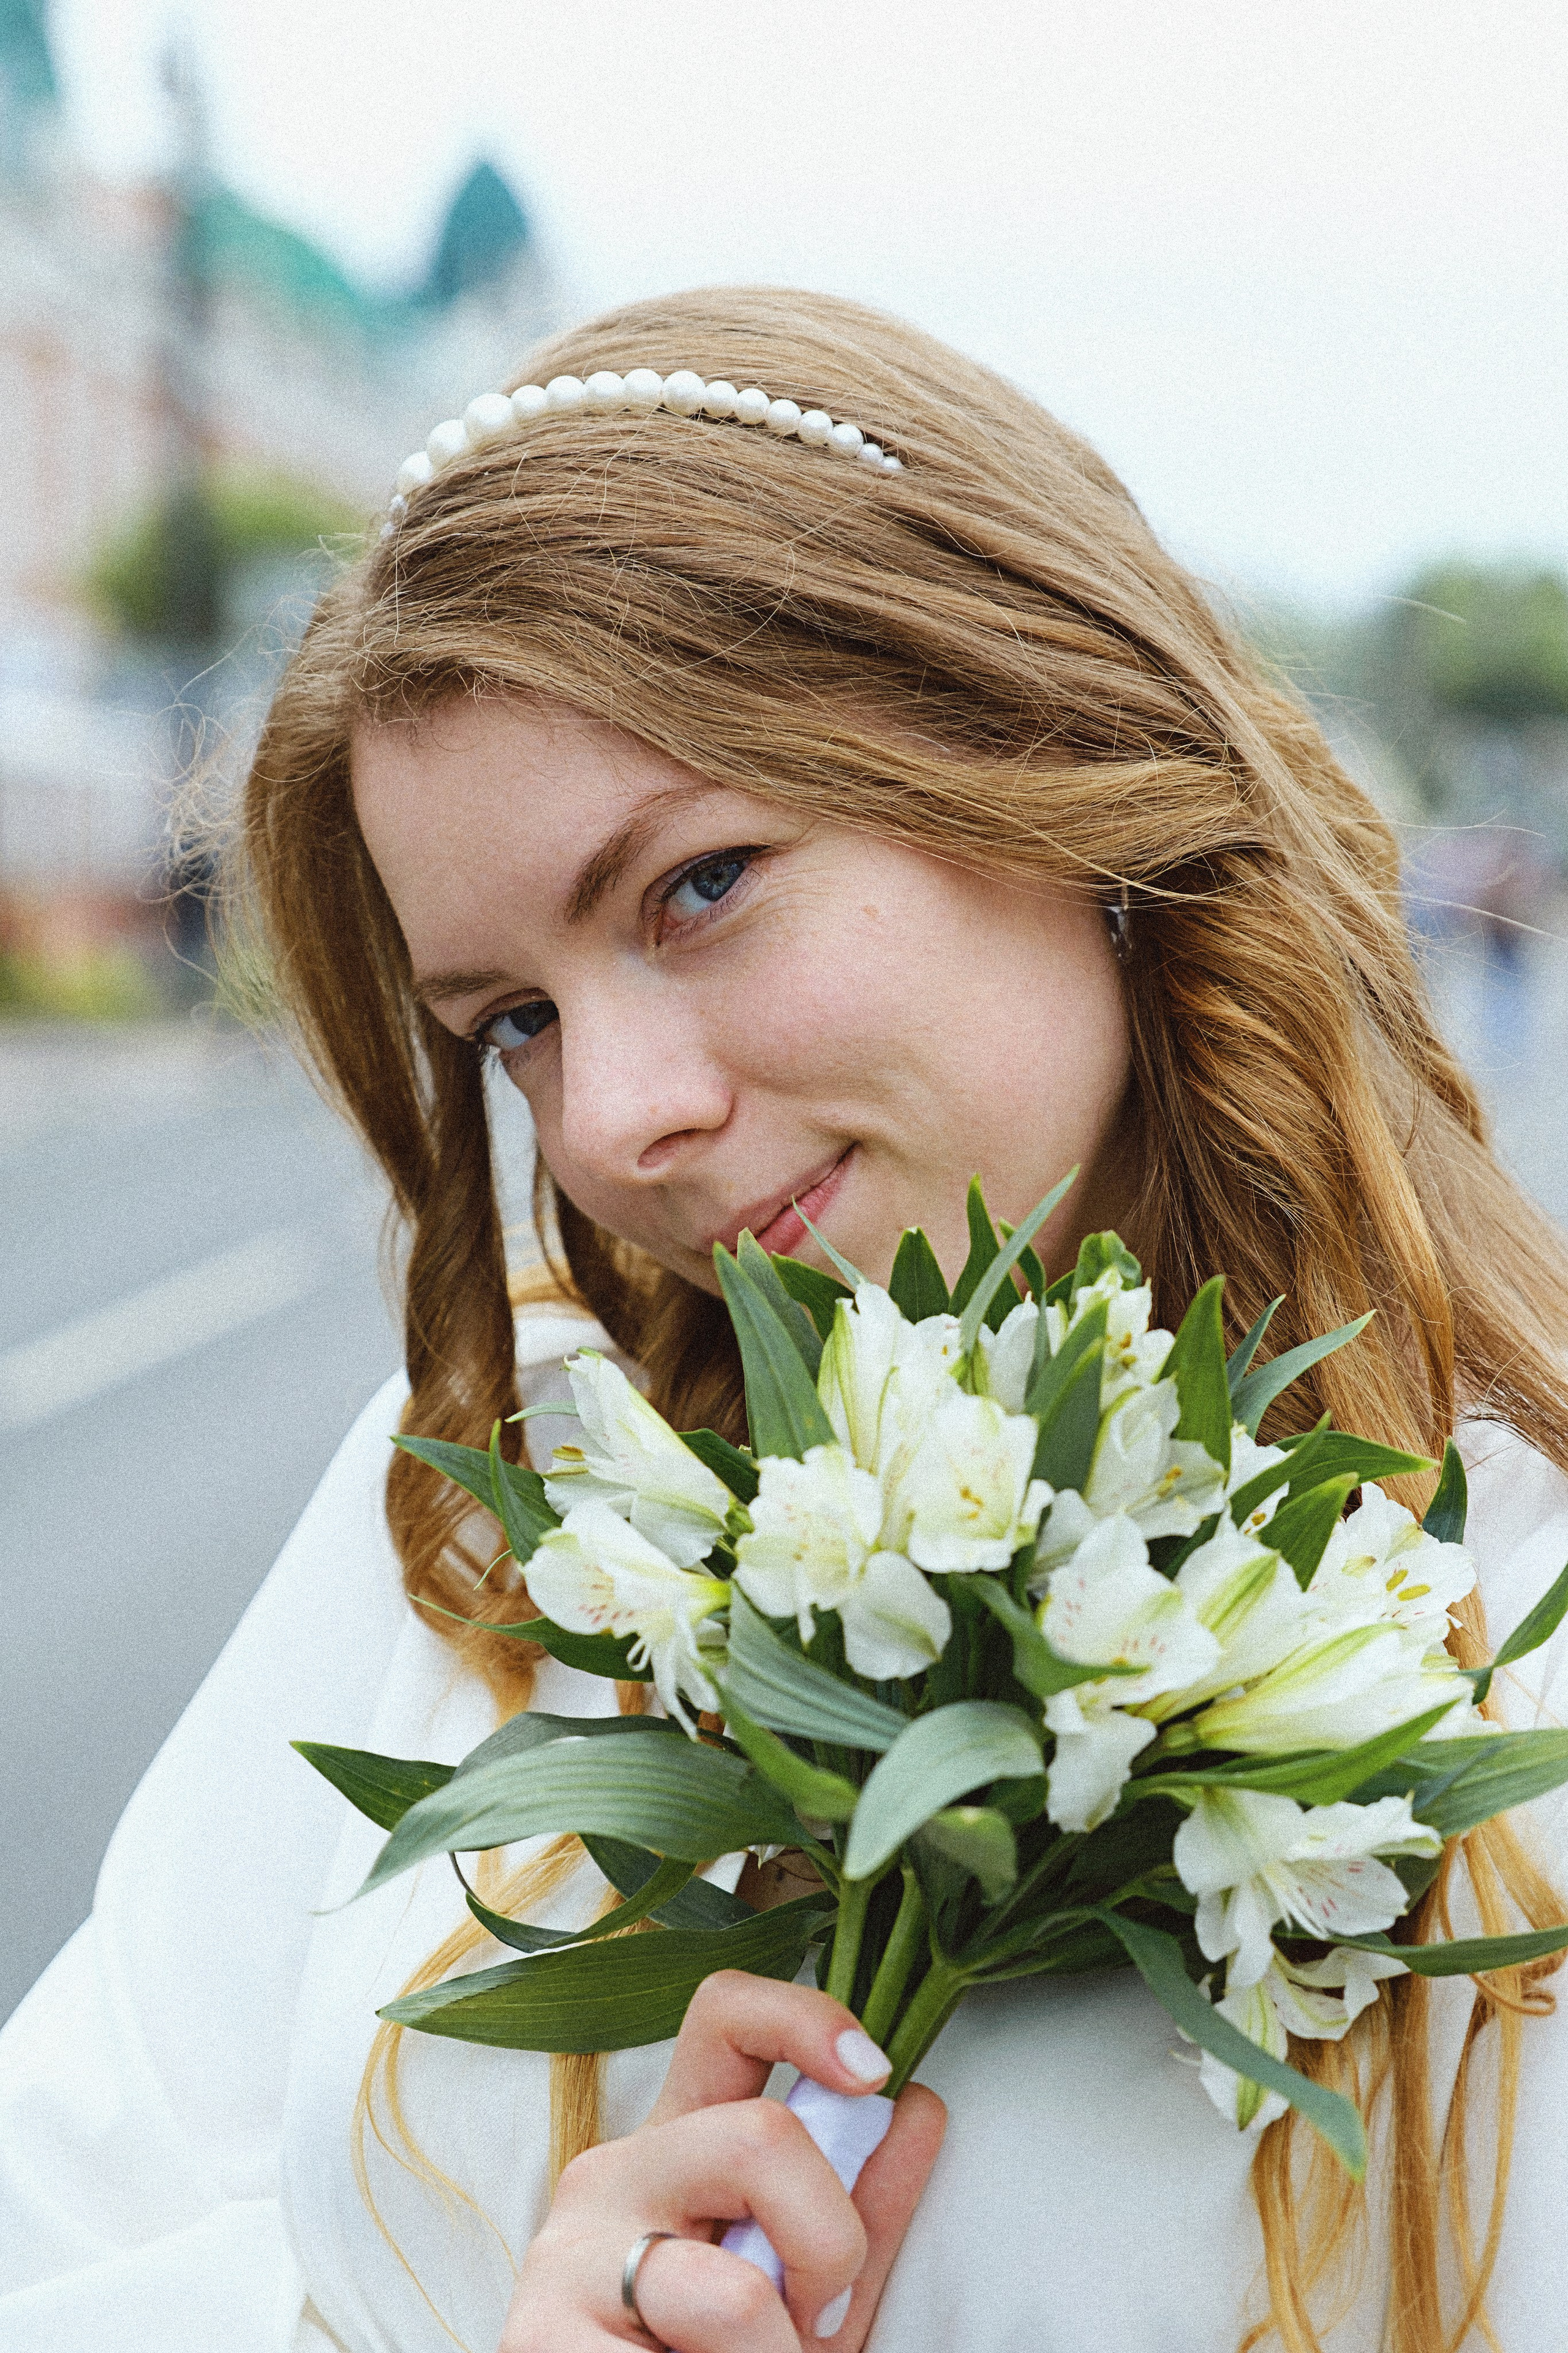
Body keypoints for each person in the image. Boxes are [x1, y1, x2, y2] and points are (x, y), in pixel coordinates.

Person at [4, 288, 1568, 2353]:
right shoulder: (506, 1514)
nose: (619, 1119)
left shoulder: (1505, 1600)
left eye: (701, 883)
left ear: (1041, 740)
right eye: (518, 1023)